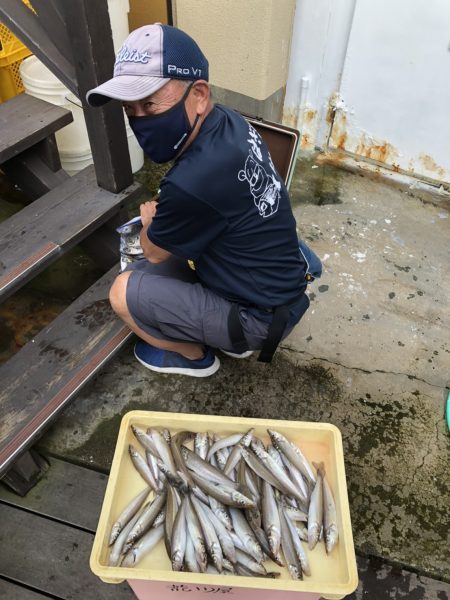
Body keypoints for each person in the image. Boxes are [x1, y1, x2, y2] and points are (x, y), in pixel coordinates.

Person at [86, 23, 311, 377]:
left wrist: (149, 223)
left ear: (199, 94)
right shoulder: (229, 122)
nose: (140, 121)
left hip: (260, 318)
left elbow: (155, 250)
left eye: (150, 103)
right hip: (281, 286)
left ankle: (194, 355)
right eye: (130, 110)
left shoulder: (193, 180)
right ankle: (227, 329)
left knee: (124, 290)